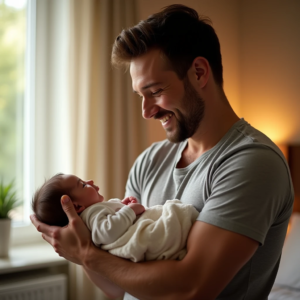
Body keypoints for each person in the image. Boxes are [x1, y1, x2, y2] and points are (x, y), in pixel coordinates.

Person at [30, 4, 294, 300]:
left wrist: (86, 254)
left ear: (198, 72)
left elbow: (191, 288)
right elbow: (121, 285)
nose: (146, 111)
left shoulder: (252, 163)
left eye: (154, 92)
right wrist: (82, 246)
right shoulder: (149, 162)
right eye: (140, 96)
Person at [32, 173, 199, 262]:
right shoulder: (91, 214)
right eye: (83, 184)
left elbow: (112, 218)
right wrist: (130, 211)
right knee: (174, 213)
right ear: (76, 207)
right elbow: (106, 231)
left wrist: (123, 205)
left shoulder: (96, 211)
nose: (89, 181)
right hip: (139, 238)